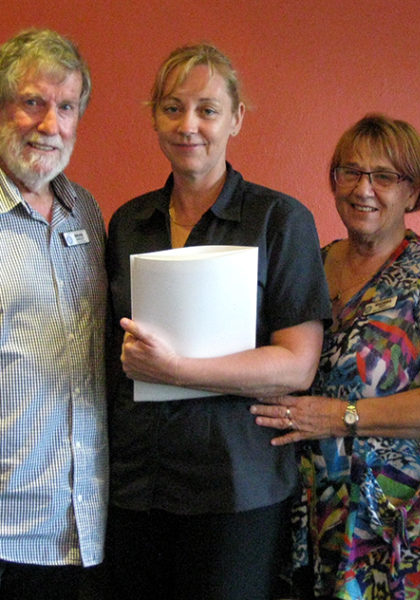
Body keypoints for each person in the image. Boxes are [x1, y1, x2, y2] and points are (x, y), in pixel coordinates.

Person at [105, 43, 330, 600]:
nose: (189, 125)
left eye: (207, 109)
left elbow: (297, 366)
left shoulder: (280, 220)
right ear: (154, 118)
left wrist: (176, 370)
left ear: (236, 119)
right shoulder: (129, 222)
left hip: (236, 490)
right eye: (172, 108)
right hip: (136, 484)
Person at [251, 114, 420, 599]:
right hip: (315, 516)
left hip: (410, 524)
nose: (364, 189)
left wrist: (342, 416)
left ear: (412, 191)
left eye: (384, 176)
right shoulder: (312, 264)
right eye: (351, 172)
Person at [0, 28, 108, 600]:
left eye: (66, 107)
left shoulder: (84, 211)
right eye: (32, 102)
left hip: (88, 527)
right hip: (8, 533)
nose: (50, 125)